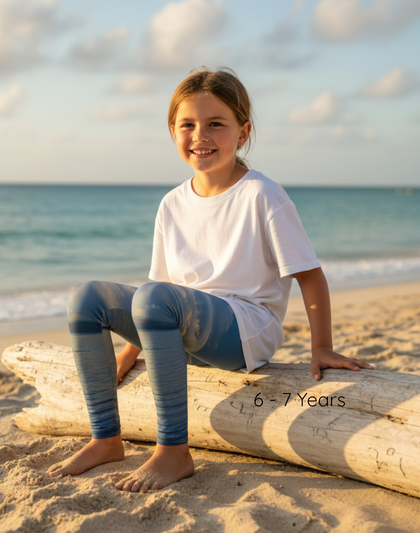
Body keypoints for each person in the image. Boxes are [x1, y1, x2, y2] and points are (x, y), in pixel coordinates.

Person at [47, 67, 374, 492]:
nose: (200, 135)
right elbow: (155, 289)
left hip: (244, 331)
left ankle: (173, 453)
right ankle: (106, 438)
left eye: (216, 124)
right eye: (188, 125)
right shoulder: (171, 203)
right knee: (86, 298)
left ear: (243, 132)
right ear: (173, 132)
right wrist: (130, 351)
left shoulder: (262, 194)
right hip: (179, 325)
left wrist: (322, 346)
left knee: (156, 298)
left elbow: (310, 275)